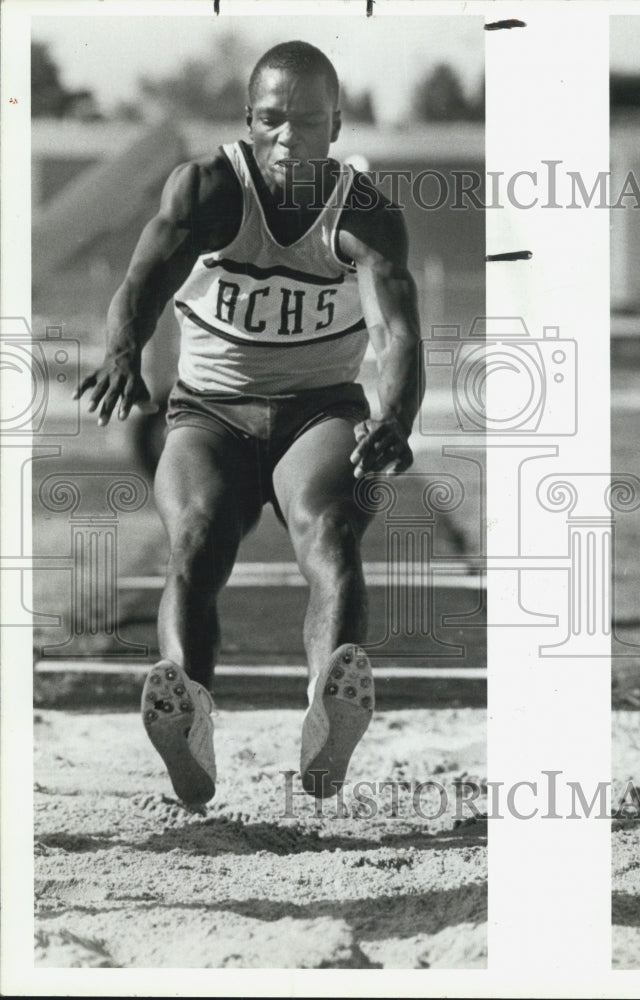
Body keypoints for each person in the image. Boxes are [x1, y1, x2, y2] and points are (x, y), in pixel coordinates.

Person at [75, 41, 423, 804]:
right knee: (196, 538)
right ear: (248, 120)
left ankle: (327, 707)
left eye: (307, 123)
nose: (288, 139)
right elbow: (144, 279)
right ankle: (187, 710)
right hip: (209, 411)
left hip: (319, 409)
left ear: (336, 126)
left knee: (329, 528)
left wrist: (395, 417)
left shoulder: (363, 211)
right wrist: (122, 353)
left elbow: (395, 333)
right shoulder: (207, 188)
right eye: (271, 120)